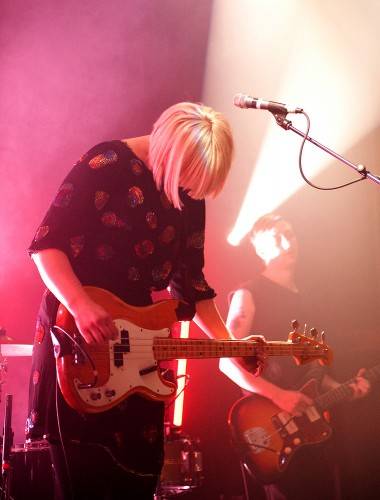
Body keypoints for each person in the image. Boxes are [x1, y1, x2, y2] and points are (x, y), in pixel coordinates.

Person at [26, 101, 257, 500]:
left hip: (138, 350)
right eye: (187, 176)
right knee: (85, 475)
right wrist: (81, 304)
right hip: (79, 330)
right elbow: (47, 246)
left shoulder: (186, 193)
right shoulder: (107, 164)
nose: (188, 189)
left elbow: (191, 286)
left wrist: (231, 346)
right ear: (171, 152)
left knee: (136, 479)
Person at [220, 213, 370, 500]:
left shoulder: (311, 299)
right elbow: (226, 361)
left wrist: (344, 390)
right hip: (272, 427)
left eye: (290, 233)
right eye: (277, 237)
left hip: (314, 428)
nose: (288, 242)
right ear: (260, 250)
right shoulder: (248, 294)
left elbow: (315, 372)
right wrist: (278, 395)